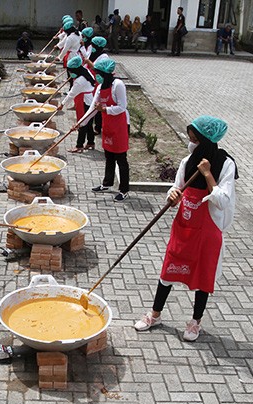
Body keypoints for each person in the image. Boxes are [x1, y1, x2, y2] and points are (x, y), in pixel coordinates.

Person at [133, 116, 238, 342]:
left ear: (206, 141)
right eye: (190, 140)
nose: (191, 145)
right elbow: (177, 188)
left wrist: (208, 174)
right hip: (184, 228)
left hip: (208, 232)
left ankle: (194, 322)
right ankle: (155, 314)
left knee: (202, 277)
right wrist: (172, 195)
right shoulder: (187, 161)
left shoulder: (226, 164)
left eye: (195, 140)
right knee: (168, 270)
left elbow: (223, 201)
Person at [85, 58, 130, 202]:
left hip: (120, 125)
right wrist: (81, 123)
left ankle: (124, 190)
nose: (96, 76)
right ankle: (107, 183)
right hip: (108, 124)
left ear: (105, 73)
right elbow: (93, 107)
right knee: (109, 156)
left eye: (98, 73)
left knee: (121, 159)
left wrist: (104, 109)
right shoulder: (100, 87)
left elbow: (122, 106)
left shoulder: (118, 85)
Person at [59, 56, 97, 152]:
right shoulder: (84, 70)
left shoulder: (80, 81)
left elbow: (71, 94)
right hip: (90, 99)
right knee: (88, 123)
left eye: (71, 71)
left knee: (82, 123)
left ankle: (79, 146)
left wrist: (62, 104)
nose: (70, 73)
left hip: (84, 101)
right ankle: (91, 142)